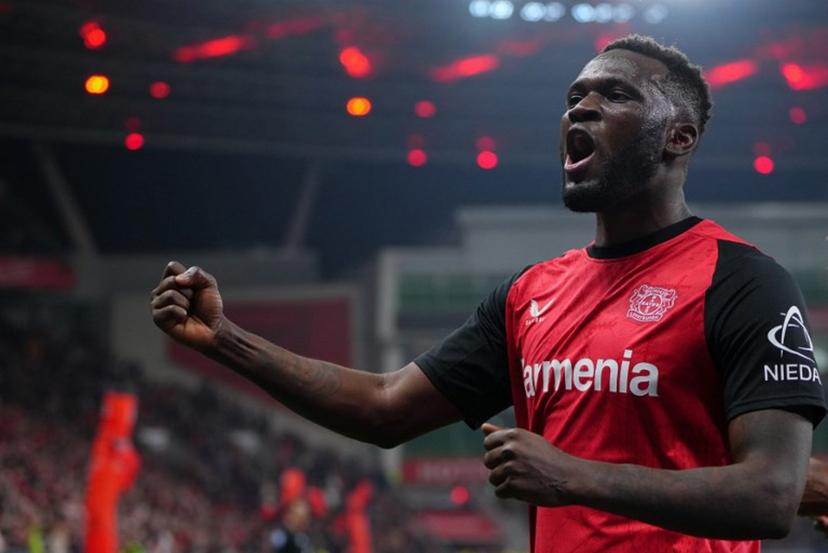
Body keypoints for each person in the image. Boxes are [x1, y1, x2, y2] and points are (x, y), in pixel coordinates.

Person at [150, 35, 825, 552]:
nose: (581, 106)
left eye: (614, 95)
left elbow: (769, 494)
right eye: (573, 97)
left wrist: (572, 476)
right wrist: (226, 340)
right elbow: (386, 407)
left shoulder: (742, 280)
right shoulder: (530, 294)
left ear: (679, 136)